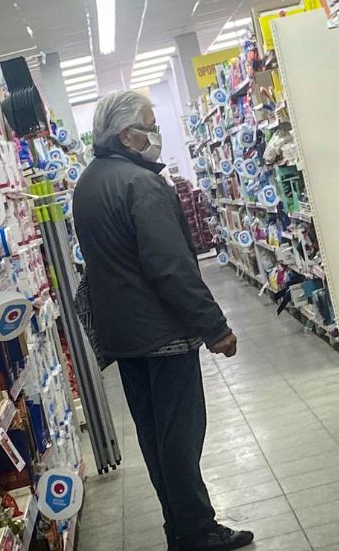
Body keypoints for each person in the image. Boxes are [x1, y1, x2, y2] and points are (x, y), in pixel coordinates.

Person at [72, 90, 255, 551]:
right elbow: (170, 266)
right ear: (126, 135)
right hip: (162, 331)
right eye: (150, 127)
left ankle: (179, 526)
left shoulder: (87, 184)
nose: (155, 135)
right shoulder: (142, 185)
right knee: (181, 434)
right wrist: (215, 327)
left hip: (124, 334)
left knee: (154, 435)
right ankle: (197, 530)